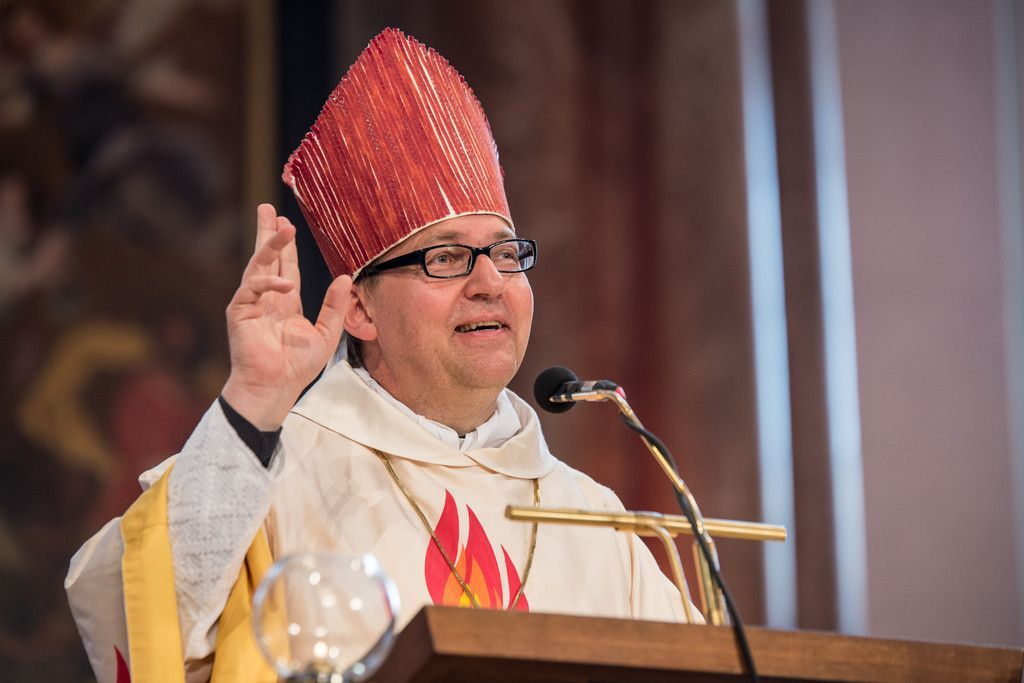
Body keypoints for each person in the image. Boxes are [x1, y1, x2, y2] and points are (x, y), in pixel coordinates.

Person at [65, 28, 691, 683]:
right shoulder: (268, 477)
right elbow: (136, 619)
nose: (489, 281)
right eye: (446, 257)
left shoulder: (595, 518)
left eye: (506, 253)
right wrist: (251, 402)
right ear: (360, 310)